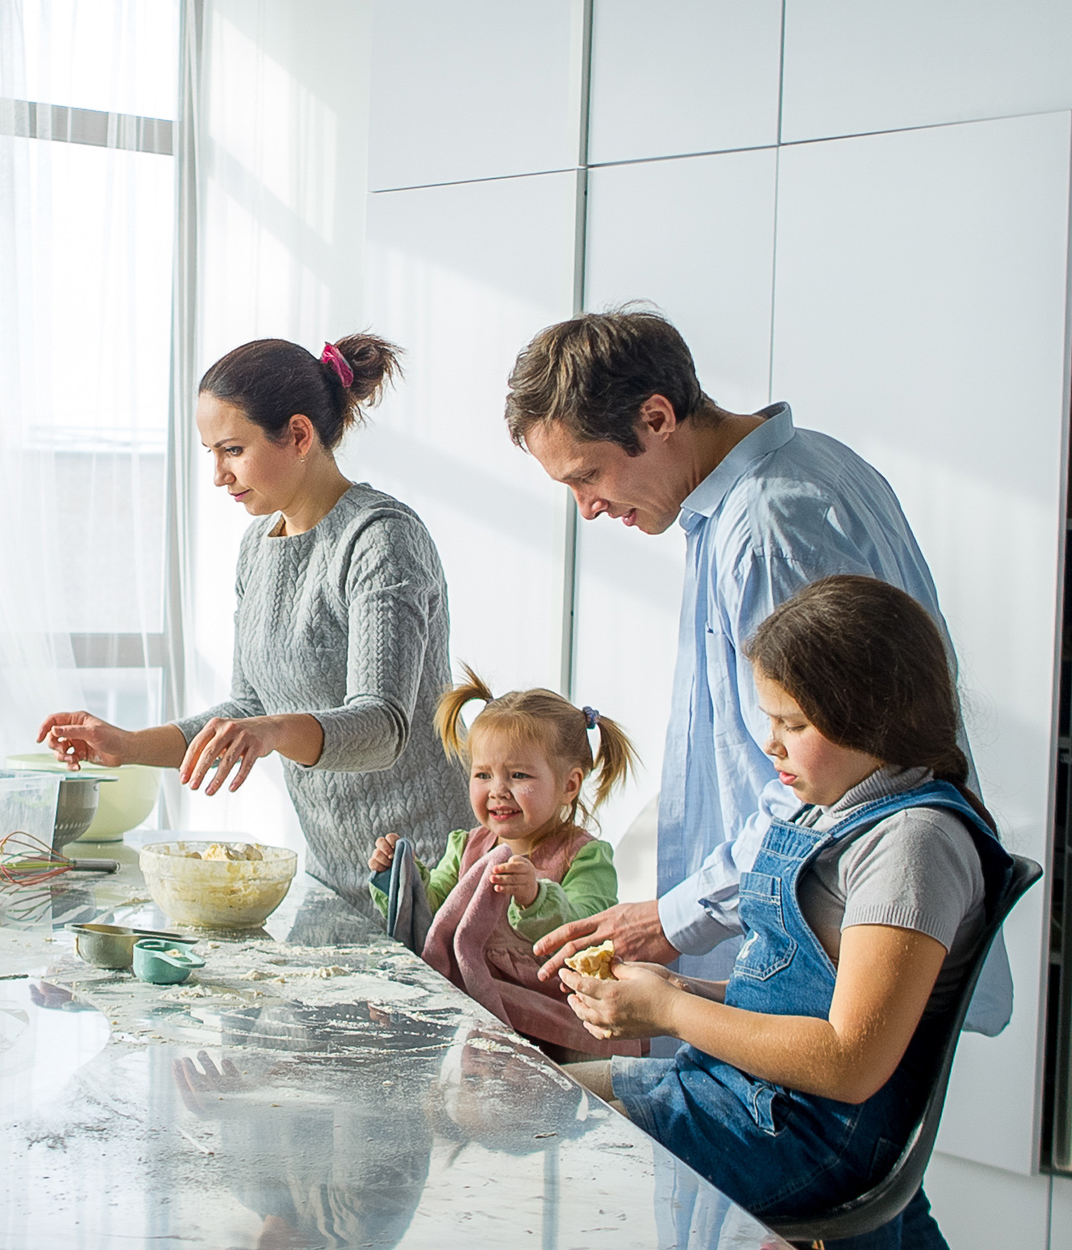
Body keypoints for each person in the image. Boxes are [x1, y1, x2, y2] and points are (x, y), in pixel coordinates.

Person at [502, 307, 1005, 1033]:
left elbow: (819, 775)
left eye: (589, 475)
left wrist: (672, 920)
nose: (588, 507)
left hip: (819, 942)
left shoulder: (769, 531)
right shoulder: (809, 467)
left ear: (656, 416)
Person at [559, 576, 1013, 1248]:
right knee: (517, 1095)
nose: (770, 743)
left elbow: (849, 1061)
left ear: (873, 715)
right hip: (752, 1098)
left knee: (525, 1126)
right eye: (771, 719)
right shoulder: (835, 814)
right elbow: (796, 1003)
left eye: (793, 724)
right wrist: (676, 987)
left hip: (796, 1134)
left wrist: (668, 1012)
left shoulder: (911, 845)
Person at [36, 335, 469, 899]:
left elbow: (383, 727)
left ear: (297, 435)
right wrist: (130, 745)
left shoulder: (381, 538)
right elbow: (250, 707)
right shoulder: (259, 545)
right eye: (210, 452)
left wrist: (272, 731)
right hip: (335, 872)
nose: (218, 474)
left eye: (232, 450)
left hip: (433, 875)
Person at [368, 668, 643, 1059]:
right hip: (476, 1023)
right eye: (482, 774)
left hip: (555, 1030)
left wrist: (535, 897)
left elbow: (590, 930)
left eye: (518, 775)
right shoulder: (466, 846)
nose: (497, 790)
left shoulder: (584, 855)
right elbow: (433, 916)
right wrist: (399, 874)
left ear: (569, 785)